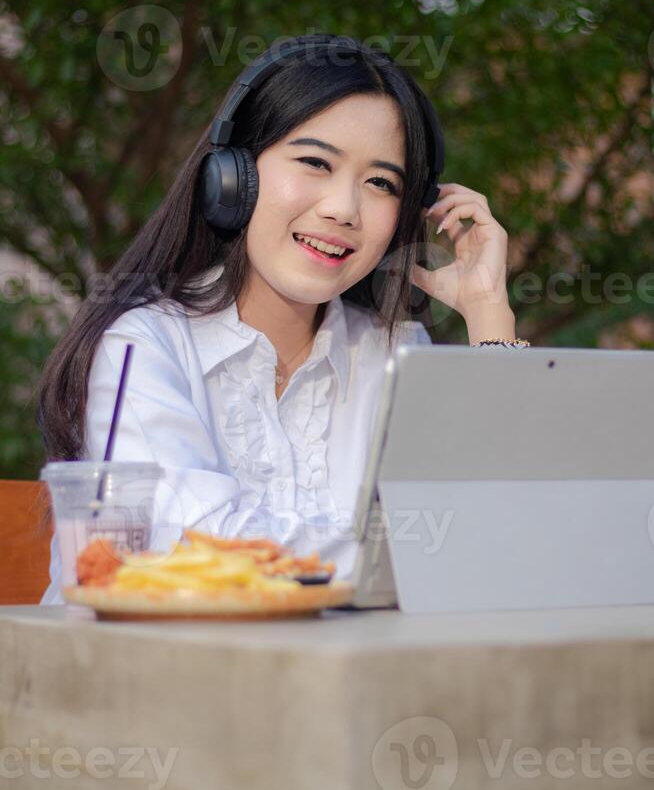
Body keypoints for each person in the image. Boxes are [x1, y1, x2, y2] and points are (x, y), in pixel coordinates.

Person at [36, 33, 527, 603]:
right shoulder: (142, 347)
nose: (343, 208)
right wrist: (415, 558)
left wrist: (490, 314)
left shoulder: (398, 354)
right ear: (232, 176)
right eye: (315, 162)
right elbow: (193, 554)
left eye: (380, 183)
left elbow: (502, 531)